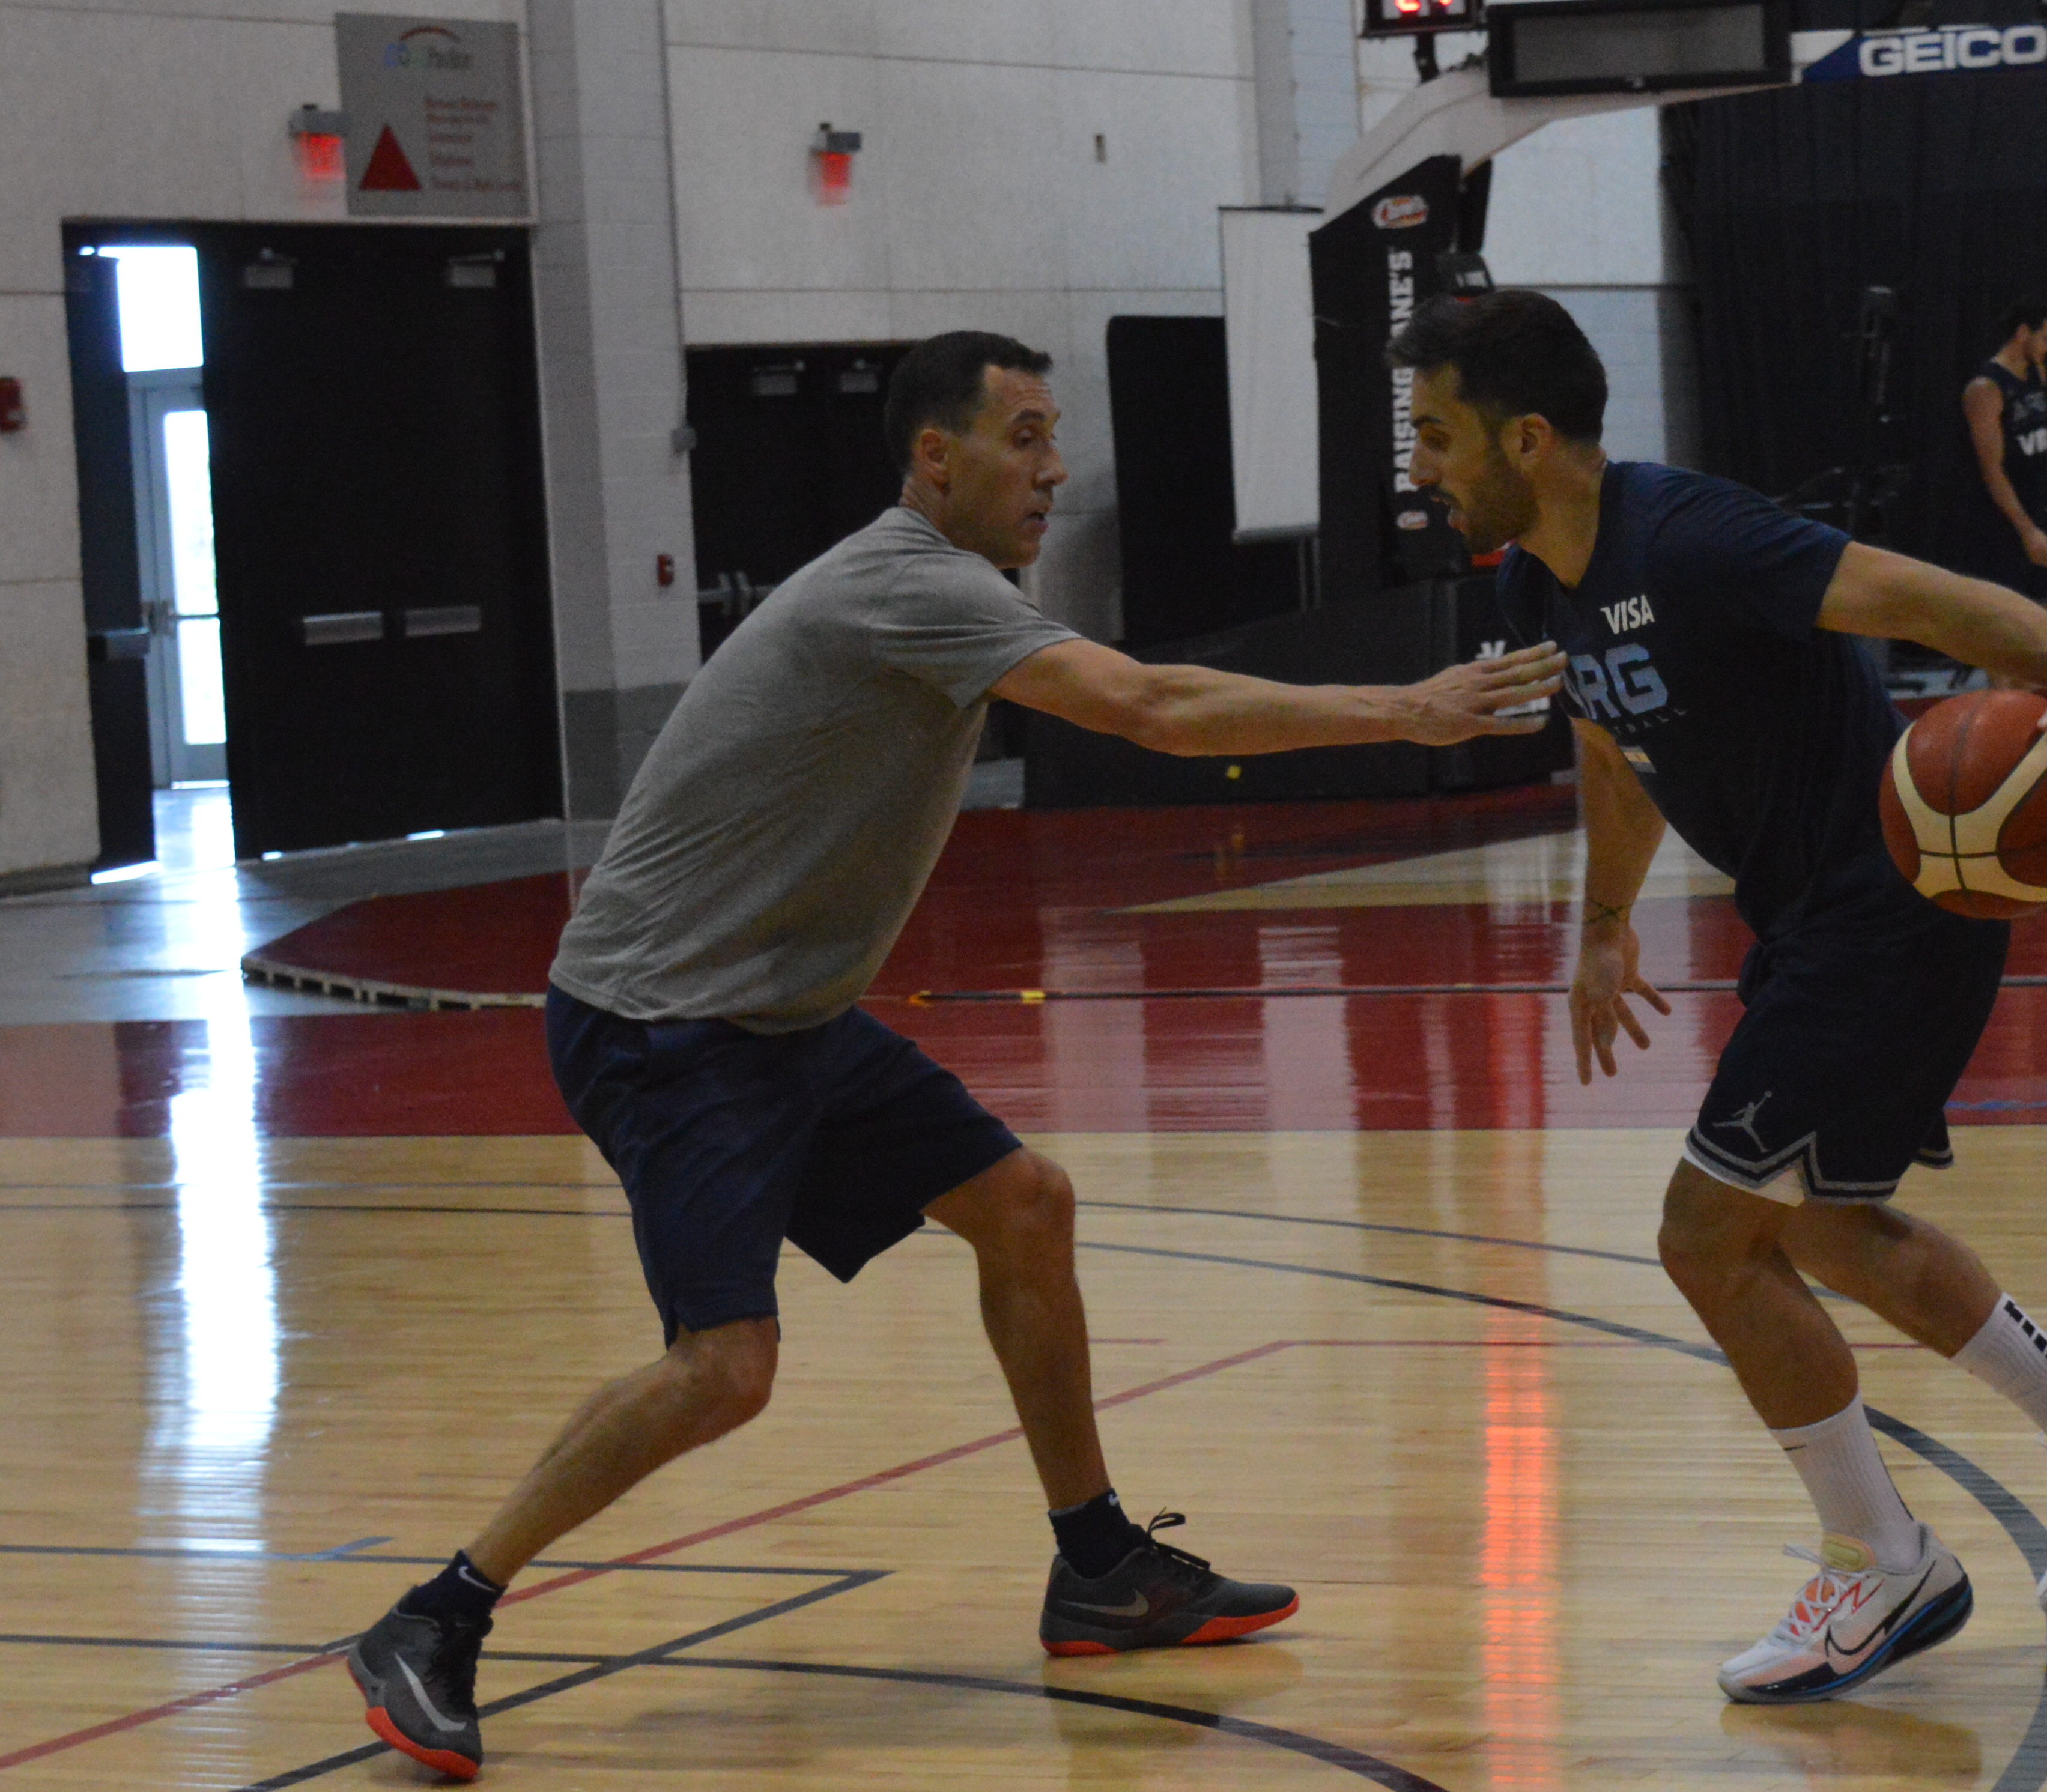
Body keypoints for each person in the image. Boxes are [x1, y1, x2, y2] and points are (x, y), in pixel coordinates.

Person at [343, 330, 1566, 1781]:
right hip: (668, 1021)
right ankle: (434, 1617)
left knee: (1025, 1205)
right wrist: (1402, 710)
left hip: (780, 1015)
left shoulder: (951, 590)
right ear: (938, 458)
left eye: (1056, 438)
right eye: (1026, 436)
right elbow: (1153, 709)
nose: (1054, 469)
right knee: (726, 1368)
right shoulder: (909, 583)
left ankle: (1100, 1566)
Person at [1391, 290, 2047, 1706]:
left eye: (1435, 434)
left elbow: (1918, 595)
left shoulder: (1695, 535)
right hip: (1816, 924)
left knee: (1703, 1235)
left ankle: (1881, 1557)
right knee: (1832, 1225)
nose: (1419, 466)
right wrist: (1599, 928)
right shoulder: (1538, 584)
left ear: (1528, 437)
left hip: (1889, 905)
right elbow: (1611, 745)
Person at [1964, 300, 2047, 627]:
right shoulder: (1986, 388)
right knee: (2004, 617)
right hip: (1999, 519)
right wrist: (2027, 531)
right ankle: (2002, 677)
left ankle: (2017, 677)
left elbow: (2042, 441)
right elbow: (1991, 470)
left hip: (2036, 508)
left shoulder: (2036, 373)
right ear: (2023, 333)